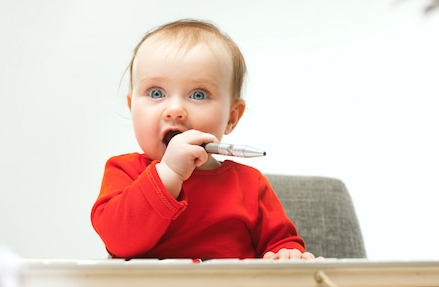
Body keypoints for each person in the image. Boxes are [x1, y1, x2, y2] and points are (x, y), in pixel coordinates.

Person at [91, 19, 316, 260]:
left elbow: (281, 242)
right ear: (132, 107)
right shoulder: (123, 171)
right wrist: (169, 172)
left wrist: (285, 254)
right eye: (156, 93)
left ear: (231, 118)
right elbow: (119, 242)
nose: (175, 109)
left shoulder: (250, 184)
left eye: (198, 95)